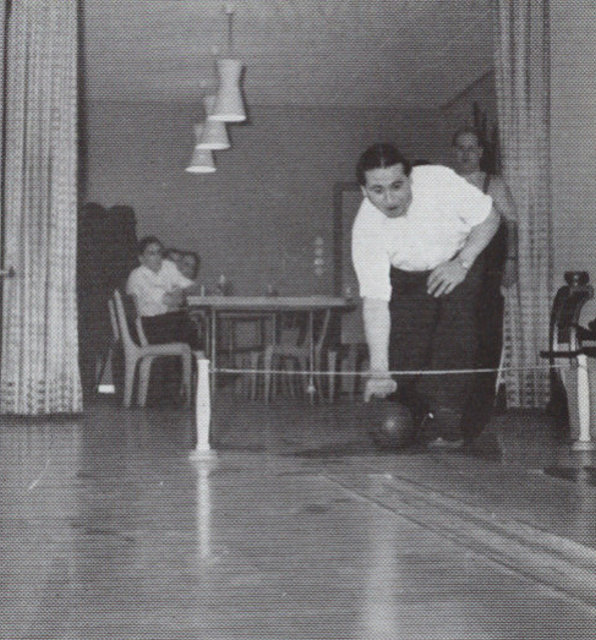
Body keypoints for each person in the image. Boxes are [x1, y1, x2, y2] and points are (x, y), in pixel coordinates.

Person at [352, 143, 501, 447]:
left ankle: (450, 419)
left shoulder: (438, 181)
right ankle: (415, 410)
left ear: (410, 178)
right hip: (408, 274)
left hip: (462, 255)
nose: (390, 198)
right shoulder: (366, 228)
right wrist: (379, 370)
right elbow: (376, 303)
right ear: (364, 191)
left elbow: (490, 218)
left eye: (397, 185)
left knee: (457, 333)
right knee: (406, 347)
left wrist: (462, 262)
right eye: (378, 190)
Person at [451, 127, 518, 443]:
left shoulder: (495, 185)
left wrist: (511, 261)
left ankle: (476, 420)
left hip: (488, 277)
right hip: (456, 276)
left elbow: (511, 225)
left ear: (481, 152)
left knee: (486, 343)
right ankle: (450, 418)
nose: (465, 153)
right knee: (455, 346)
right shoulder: (447, 186)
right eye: (460, 148)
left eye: (471, 148)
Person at [126, 236, 203, 351]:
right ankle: (198, 364)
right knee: (189, 324)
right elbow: (171, 300)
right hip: (145, 327)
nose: (157, 257)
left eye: (159, 252)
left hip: (163, 321)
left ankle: (195, 363)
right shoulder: (138, 276)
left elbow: (192, 287)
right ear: (141, 259)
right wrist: (180, 293)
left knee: (193, 323)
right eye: (152, 253)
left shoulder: (167, 266)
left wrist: (179, 293)